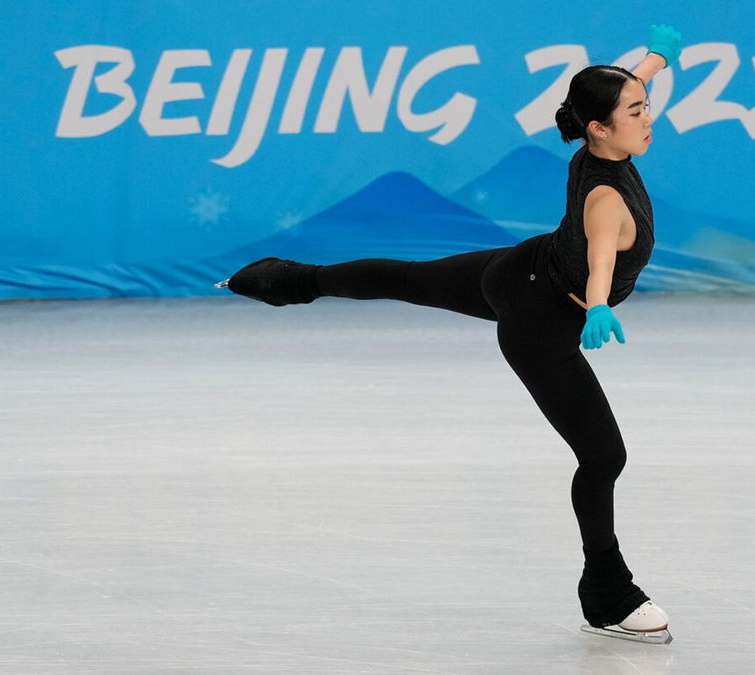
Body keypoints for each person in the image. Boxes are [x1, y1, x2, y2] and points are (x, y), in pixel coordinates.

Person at [218, 24, 683, 645]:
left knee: (410, 279)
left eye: (644, 103)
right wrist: (598, 306)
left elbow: (630, 86)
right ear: (598, 127)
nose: (649, 115)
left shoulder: (602, 140)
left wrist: (655, 60)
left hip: (520, 267)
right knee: (604, 457)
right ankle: (606, 590)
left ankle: (291, 281)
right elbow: (602, 255)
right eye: (635, 110)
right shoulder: (606, 199)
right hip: (540, 321)